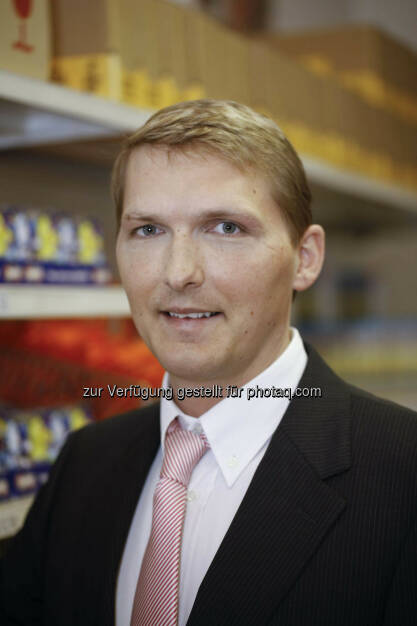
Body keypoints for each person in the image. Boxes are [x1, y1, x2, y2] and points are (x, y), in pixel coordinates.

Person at [1, 99, 416, 626]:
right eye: (148, 230)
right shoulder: (84, 463)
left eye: (225, 228)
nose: (178, 273)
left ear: (305, 258)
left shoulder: (403, 476)